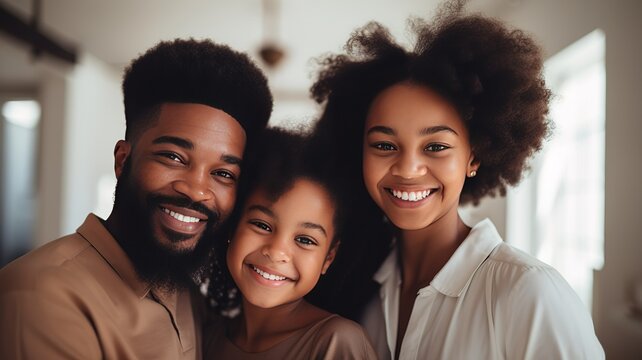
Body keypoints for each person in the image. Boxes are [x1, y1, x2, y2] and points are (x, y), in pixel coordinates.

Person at [308, 2, 605, 359]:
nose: (408, 168)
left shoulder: (529, 292)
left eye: (435, 146)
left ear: (474, 156)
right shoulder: (354, 286)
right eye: (384, 145)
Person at [0, 38, 272, 359]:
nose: (197, 191)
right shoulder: (42, 294)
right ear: (122, 159)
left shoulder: (181, 287)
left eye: (224, 174)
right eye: (173, 157)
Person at [202, 128, 377, 359]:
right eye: (262, 225)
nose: (276, 252)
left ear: (328, 258)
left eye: (305, 240)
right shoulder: (207, 336)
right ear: (233, 228)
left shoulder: (335, 341)